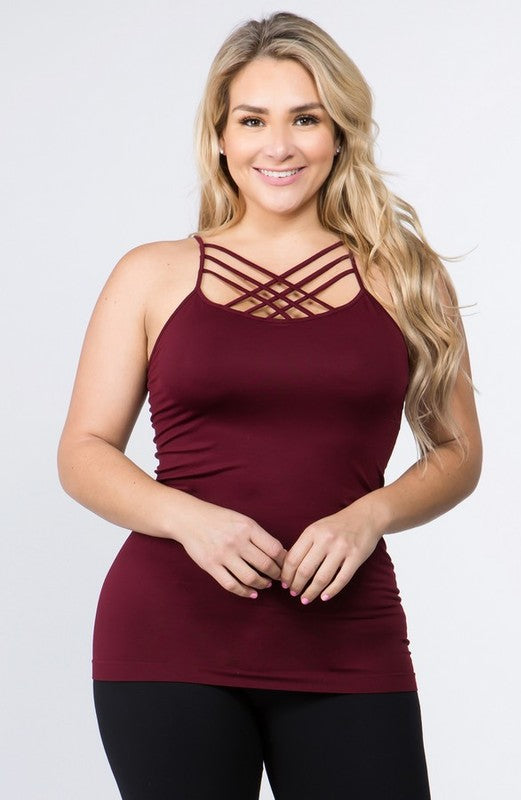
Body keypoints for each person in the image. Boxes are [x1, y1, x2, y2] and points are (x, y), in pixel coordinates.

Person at [57, 11, 482, 800]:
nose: (277, 146)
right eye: (252, 120)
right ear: (220, 135)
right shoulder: (152, 274)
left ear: (339, 133)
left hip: (348, 636)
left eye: (305, 119)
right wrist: (191, 520)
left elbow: (457, 453)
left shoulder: (406, 276)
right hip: (168, 638)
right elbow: (83, 451)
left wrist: (369, 516)